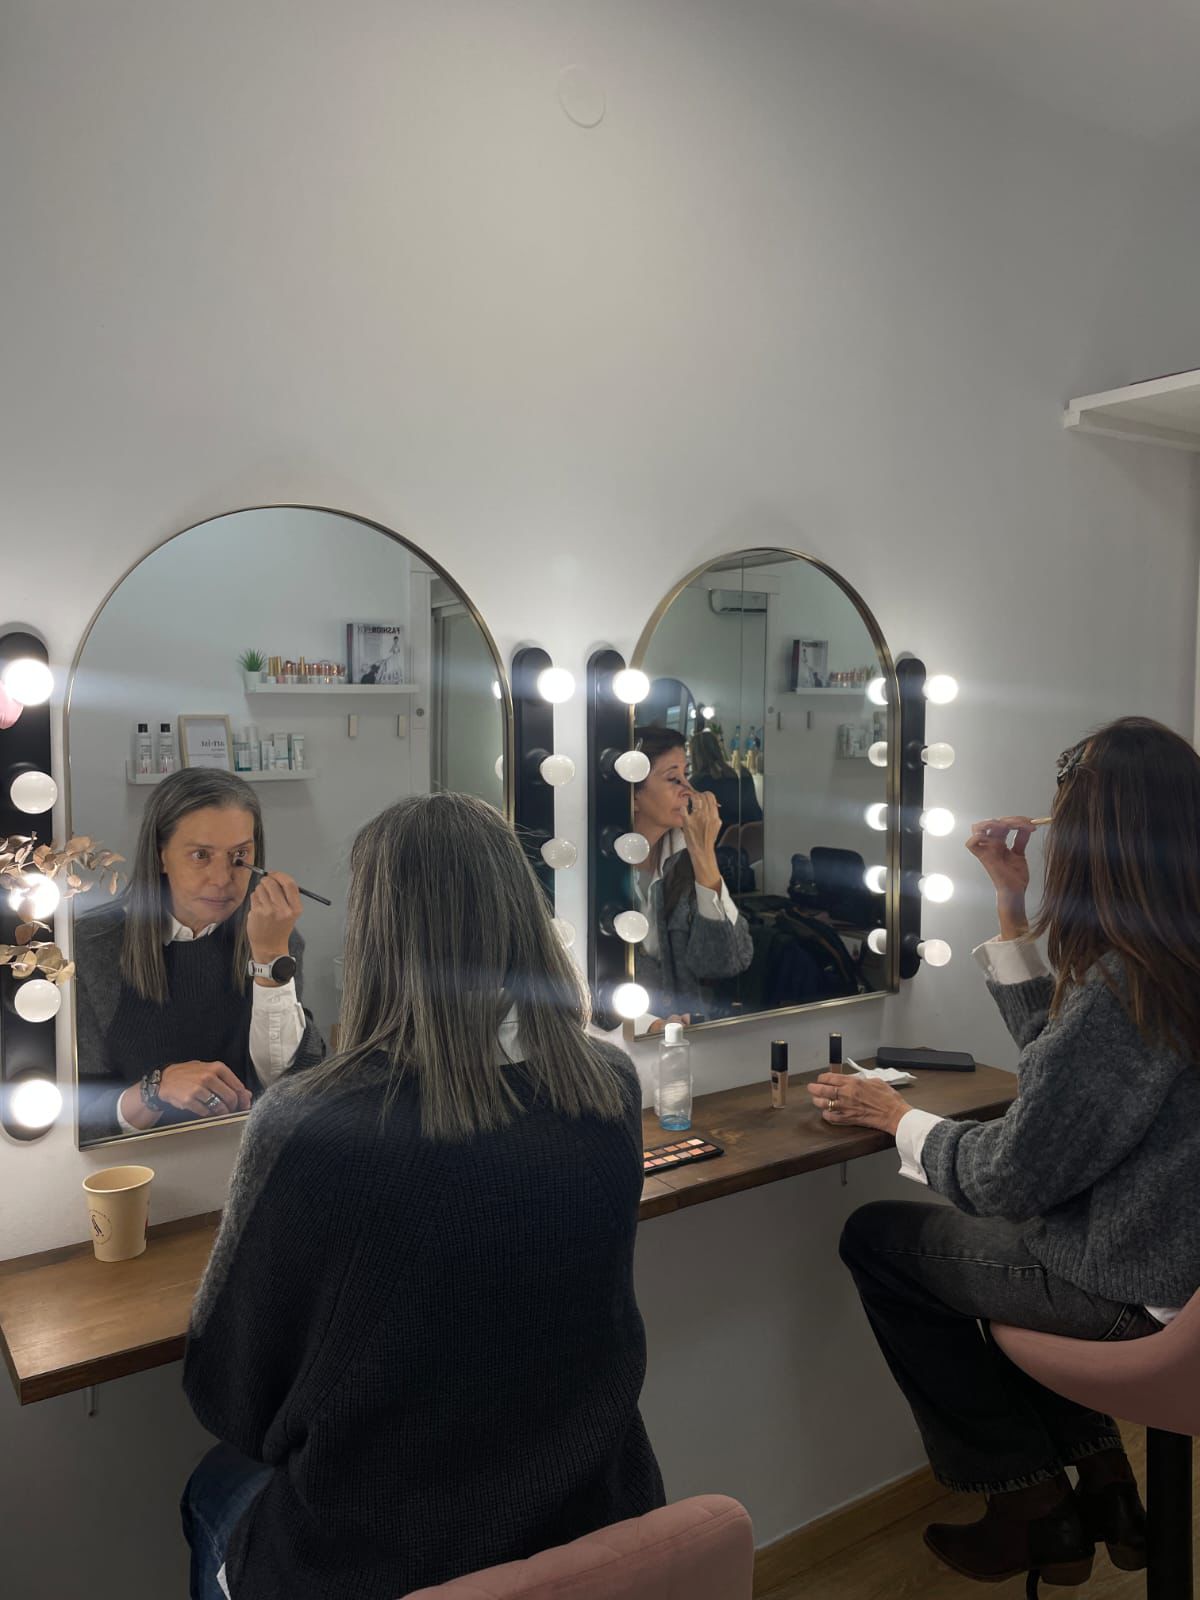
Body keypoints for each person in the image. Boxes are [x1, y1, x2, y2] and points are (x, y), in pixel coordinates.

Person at [181, 793, 664, 1600]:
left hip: (384, 1564)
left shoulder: (313, 1127)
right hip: (594, 1517)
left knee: (212, 1490)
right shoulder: (607, 1082)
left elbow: (232, 1402)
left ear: (376, 937)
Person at [806, 717, 1200, 1586]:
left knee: (880, 1240)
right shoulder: (1167, 960)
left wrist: (888, 1115)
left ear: (1093, 837)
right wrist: (1011, 909)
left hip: (1137, 1285)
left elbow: (1012, 1175)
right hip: (1178, 1265)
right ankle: (1102, 1488)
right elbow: (1079, 1090)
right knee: (978, 1258)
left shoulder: (1126, 984)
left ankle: (1029, 1505)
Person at [75, 769, 325, 1142]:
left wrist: (272, 958)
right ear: (161, 856)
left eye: (239, 855)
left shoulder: (272, 935)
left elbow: (291, 1082)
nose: (222, 878)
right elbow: (76, 1115)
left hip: (241, 1155)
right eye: (200, 855)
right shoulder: (94, 944)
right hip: (133, 1167)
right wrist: (153, 1091)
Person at [631, 726, 753, 1026]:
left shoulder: (682, 860)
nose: (689, 789)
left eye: (687, 775)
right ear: (632, 794)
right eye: (674, 778)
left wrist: (703, 854)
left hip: (690, 1043)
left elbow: (726, 961)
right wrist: (649, 1024)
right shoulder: (599, 872)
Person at [687, 728, 763, 830]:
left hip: (717, 841)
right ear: (718, 749)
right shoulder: (744, 775)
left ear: (694, 755)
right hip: (754, 839)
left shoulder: (698, 783)